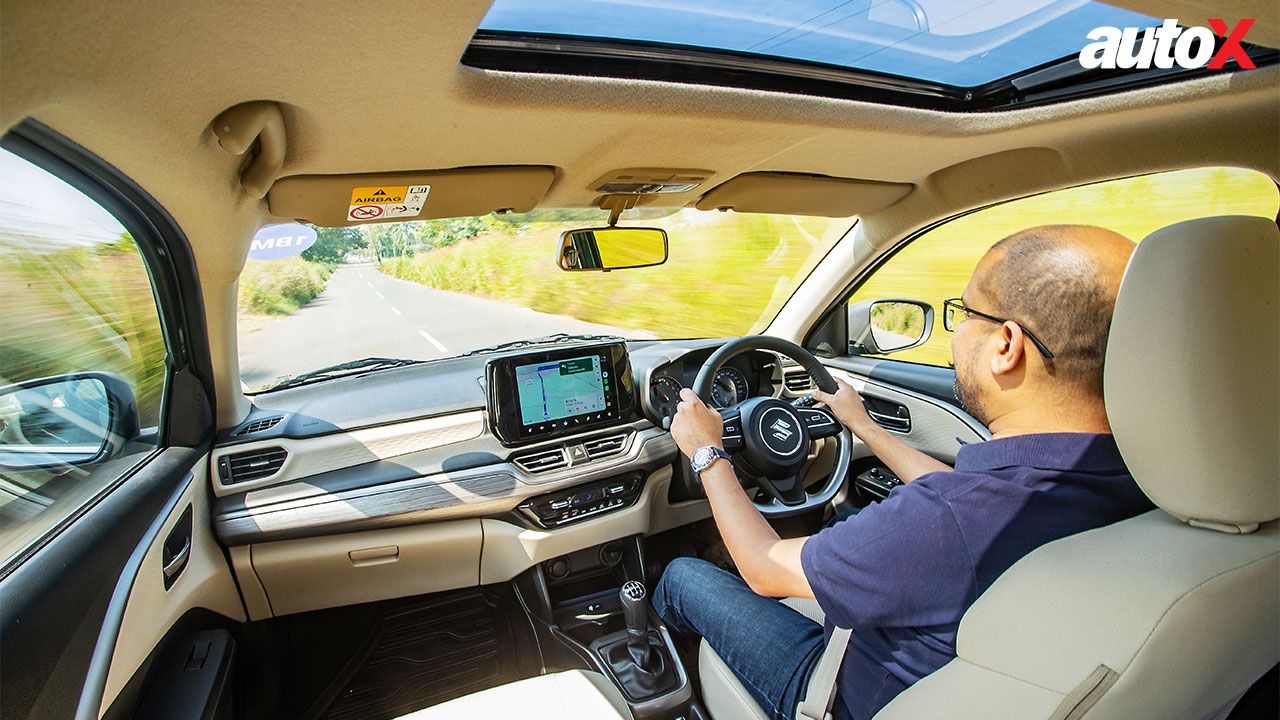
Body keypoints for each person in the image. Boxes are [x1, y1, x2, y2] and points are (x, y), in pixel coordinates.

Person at [654, 225, 1156, 720]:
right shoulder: (1138, 478)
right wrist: (863, 425)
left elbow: (765, 568)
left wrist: (706, 452)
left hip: (838, 694)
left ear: (1007, 346)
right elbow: (960, 495)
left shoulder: (949, 524)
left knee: (680, 576)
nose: (956, 331)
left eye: (963, 313)